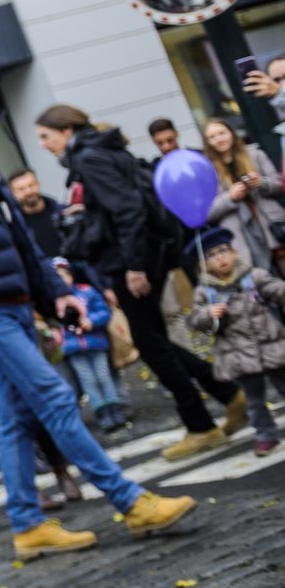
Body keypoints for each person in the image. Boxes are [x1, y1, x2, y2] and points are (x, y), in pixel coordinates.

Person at [0, 82, 198, 555]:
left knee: (16, 418)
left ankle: (27, 526)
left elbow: (18, 236)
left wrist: (57, 294)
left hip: (14, 300)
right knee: (55, 393)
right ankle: (131, 501)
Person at [36, 104, 245, 461]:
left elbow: (128, 209)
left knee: (151, 346)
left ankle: (201, 425)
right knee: (154, 341)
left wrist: (133, 267)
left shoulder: (89, 157)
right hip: (143, 255)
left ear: (67, 130)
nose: (43, 144)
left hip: (130, 260)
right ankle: (226, 394)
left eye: (46, 136)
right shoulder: (104, 148)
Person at [191, 227, 285, 457]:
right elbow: (195, 319)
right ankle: (265, 436)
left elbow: (277, 290)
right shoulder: (205, 291)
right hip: (238, 355)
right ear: (204, 264)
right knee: (254, 400)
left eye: (223, 251)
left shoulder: (254, 277)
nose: (220, 258)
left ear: (234, 253)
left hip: (271, 345)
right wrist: (208, 314)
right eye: (211, 255)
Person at [49, 260, 130, 434]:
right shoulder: (54, 302)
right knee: (88, 381)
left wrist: (91, 322)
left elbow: (103, 312)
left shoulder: (87, 292)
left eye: (63, 276)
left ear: (71, 275)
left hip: (96, 342)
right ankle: (102, 413)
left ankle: (115, 408)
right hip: (73, 348)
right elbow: (54, 323)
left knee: (103, 376)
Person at [202, 117, 285, 275]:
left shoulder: (255, 154)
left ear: (231, 133)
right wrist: (230, 197)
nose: (219, 139)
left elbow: (280, 186)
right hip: (241, 237)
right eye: (212, 137)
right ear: (207, 143)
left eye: (222, 133)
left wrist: (261, 182)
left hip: (272, 227)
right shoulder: (207, 170)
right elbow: (207, 213)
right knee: (262, 281)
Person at [7, 170, 66, 261]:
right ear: (13, 194)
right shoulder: (15, 227)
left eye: (31, 185)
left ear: (38, 184)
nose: (28, 192)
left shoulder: (63, 212)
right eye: (21, 189)